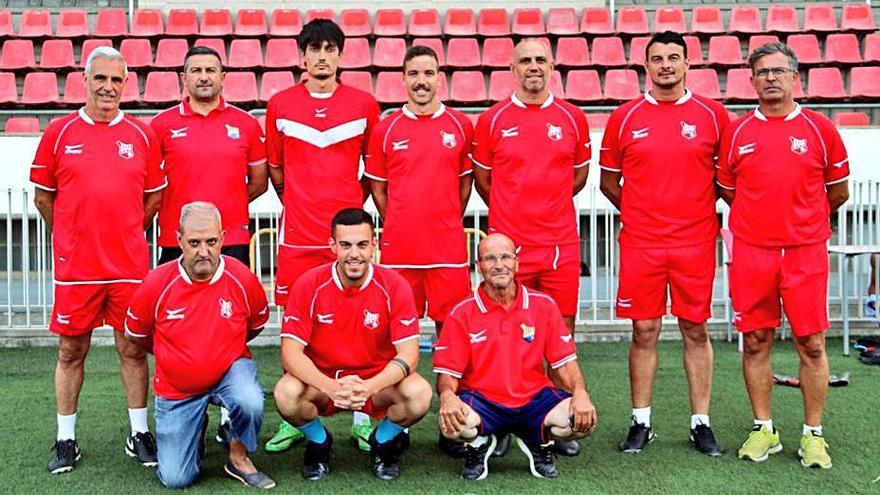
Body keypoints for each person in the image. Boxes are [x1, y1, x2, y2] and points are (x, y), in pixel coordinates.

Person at [31, 46, 165, 474]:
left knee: (132, 349)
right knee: (72, 350)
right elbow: (42, 197)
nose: (108, 87)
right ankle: (66, 439)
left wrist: (126, 230)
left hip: (127, 267)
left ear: (126, 84)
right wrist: (71, 235)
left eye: (117, 80)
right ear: (84, 80)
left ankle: (139, 433)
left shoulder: (142, 135)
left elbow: (155, 197)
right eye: (100, 78)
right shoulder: (59, 133)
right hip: (78, 269)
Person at [716, 42, 850, 469]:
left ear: (796, 77)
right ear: (751, 81)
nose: (770, 78)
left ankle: (813, 435)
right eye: (762, 72)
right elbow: (728, 190)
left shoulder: (819, 130)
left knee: (811, 342)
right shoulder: (737, 132)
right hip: (753, 251)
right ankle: (764, 428)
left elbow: (838, 192)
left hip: (804, 252)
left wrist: (801, 224)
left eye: (778, 71)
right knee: (756, 340)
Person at [599, 31, 729, 456]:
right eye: (658, 59)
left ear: (688, 64)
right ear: (646, 66)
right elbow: (608, 182)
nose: (666, 65)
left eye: (674, 58)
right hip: (642, 242)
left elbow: (726, 180)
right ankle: (641, 421)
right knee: (644, 329)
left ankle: (701, 422)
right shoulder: (625, 117)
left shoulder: (713, 116)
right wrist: (642, 211)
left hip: (694, 242)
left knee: (695, 327)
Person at [265, 17, 381, 453]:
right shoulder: (280, 105)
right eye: (314, 49)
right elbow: (277, 172)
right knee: (300, 334)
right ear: (302, 56)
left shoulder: (364, 105)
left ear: (340, 56)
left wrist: (350, 215)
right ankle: (298, 419)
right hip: (298, 239)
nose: (321, 57)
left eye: (330, 49)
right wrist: (300, 205)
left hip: (349, 241)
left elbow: (371, 174)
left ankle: (364, 416)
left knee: (361, 330)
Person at [471, 37, 590, 457]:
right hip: (508, 249)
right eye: (525, 60)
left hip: (559, 244)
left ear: (553, 66)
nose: (533, 66)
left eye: (541, 59)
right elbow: (485, 182)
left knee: (560, 334)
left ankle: (556, 421)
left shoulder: (573, 118)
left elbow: (577, 176)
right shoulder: (491, 120)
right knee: (503, 338)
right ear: (512, 67)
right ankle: (502, 420)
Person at [150, 45, 268, 446]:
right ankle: (188, 407)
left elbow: (258, 183)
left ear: (223, 77)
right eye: (195, 70)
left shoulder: (246, 125)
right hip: (174, 244)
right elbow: (151, 184)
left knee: (230, 326)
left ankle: (226, 413)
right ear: (184, 77)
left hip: (231, 242)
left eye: (211, 70)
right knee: (177, 331)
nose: (203, 76)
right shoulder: (161, 125)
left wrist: (223, 218)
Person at [273, 208, 432, 481]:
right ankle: (320, 442)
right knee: (286, 393)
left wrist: (369, 387)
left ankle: (381, 442)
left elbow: (410, 355)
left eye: (362, 245)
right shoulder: (308, 284)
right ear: (332, 245)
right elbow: (290, 353)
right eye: (345, 245)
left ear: (374, 245)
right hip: (323, 383)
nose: (354, 254)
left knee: (419, 394)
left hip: (375, 384)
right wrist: (331, 387)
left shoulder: (395, 285)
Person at [125, 202, 274, 489]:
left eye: (211, 242)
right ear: (179, 239)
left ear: (223, 238)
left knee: (249, 398)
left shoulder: (242, 278)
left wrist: (219, 352)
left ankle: (238, 456)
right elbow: (137, 334)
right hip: (177, 388)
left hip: (230, 373)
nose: (203, 251)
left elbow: (254, 326)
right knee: (176, 479)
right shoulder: (156, 284)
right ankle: (196, 427)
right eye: (194, 242)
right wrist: (176, 358)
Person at [434, 233, 597, 480]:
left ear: (516, 263)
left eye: (505, 257)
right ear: (479, 267)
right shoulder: (462, 312)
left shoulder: (543, 305)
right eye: (490, 259)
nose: (498, 265)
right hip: (484, 401)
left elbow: (564, 363)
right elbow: (448, 374)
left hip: (534, 399)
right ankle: (478, 443)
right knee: (453, 426)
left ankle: (537, 441)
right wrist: (447, 396)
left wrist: (581, 394)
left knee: (582, 421)